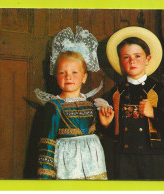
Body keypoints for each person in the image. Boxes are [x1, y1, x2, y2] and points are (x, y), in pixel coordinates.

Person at [99, 26, 164, 180]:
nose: (132, 61)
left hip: (152, 157)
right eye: (126, 57)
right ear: (121, 61)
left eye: (137, 56)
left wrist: (153, 113)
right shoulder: (116, 92)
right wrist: (107, 124)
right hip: (122, 157)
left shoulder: (158, 90)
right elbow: (110, 132)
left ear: (147, 59)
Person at [34, 26, 111, 180]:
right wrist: (45, 178)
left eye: (74, 72)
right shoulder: (54, 106)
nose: (68, 76)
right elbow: (47, 143)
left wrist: (105, 124)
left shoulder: (91, 104)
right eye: (62, 72)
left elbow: (98, 133)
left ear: (84, 77)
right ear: (56, 76)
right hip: (68, 164)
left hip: (93, 163)